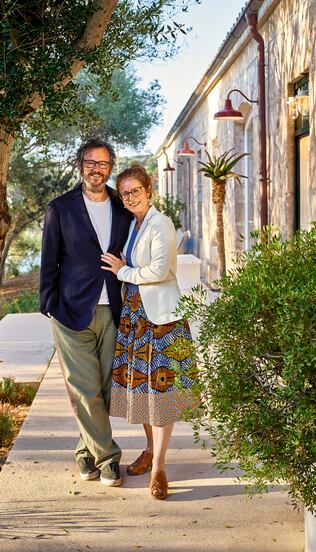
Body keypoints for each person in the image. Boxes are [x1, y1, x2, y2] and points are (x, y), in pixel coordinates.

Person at [40, 137, 131, 487]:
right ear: (81, 165)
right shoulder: (60, 208)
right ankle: (108, 458)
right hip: (70, 311)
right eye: (91, 163)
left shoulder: (122, 211)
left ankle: (85, 451)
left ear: (110, 168)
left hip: (112, 308)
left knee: (106, 390)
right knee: (84, 388)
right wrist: (49, 306)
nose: (97, 169)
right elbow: (49, 260)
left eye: (103, 164)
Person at [101, 164, 194, 500]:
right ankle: (149, 449)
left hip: (162, 319)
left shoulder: (161, 223)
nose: (129, 198)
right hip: (135, 315)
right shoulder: (133, 225)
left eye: (135, 191)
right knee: (140, 391)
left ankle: (159, 466)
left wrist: (122, 270)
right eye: (124, 193)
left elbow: (160, 269)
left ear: (148, 190)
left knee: (161, 393)